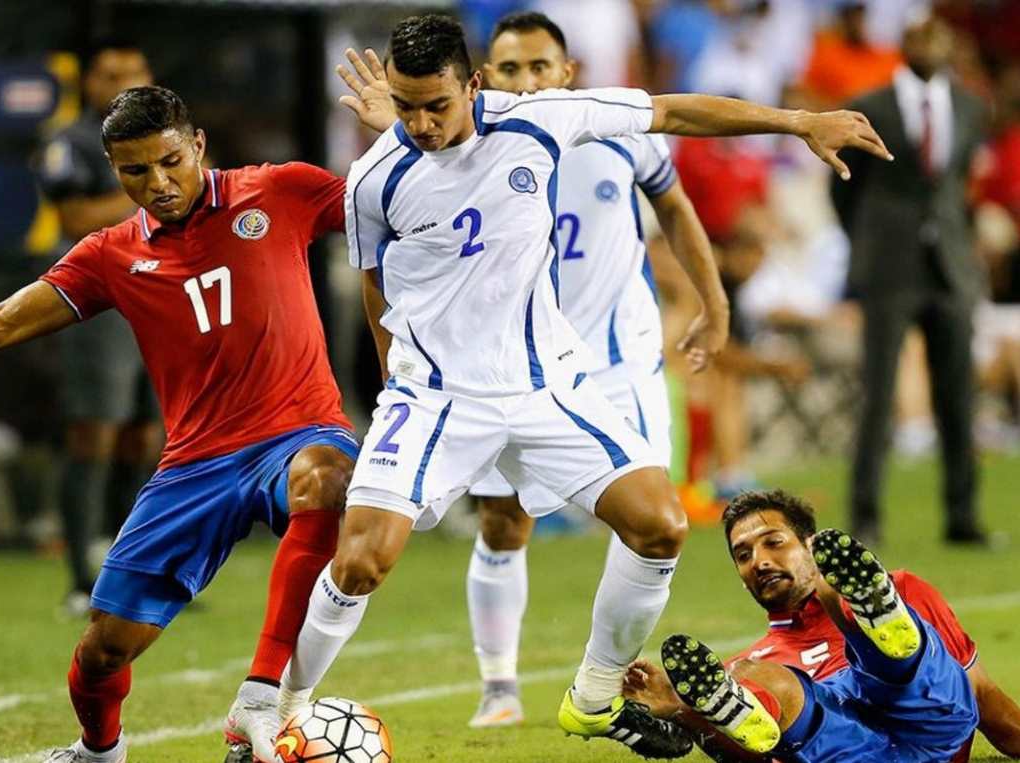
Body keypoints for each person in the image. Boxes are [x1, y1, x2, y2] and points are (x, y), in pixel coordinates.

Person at [283, 13, 890, 758]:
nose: (421, 124)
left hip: (547, 388)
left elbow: (672, 111)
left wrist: (798, 120)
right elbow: (378, 294)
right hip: (438, 396)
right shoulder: (376, 176)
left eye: (436, 106)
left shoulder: (542, 122)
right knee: (361, 561)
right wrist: (395, 386)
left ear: (471, 87)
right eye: (405, 108)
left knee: (660, 523)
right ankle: (282, 708)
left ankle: (594, 694)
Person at [0, 85, 357, 763]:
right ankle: (98, 750)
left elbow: (391, 208)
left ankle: (262, 696)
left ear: (198, 145)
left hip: (296, 432)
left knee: (331, 480)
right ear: (114, 169)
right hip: (194, 465)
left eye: (171, 162)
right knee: (103, 650)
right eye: (136, 171)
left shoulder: (280, 191)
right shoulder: (109, 254)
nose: (158, 183)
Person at [461, 10, 727, 728]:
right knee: (502, 522)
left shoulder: (619, 130)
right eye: (510, 69)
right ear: (486, 79)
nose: (527, 82)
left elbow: (673, 206)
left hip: (618, 365)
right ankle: (499, 685)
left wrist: (712, 300)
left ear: (568, 72)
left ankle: (600, 686)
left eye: (540, 66)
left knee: (652, 523)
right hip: (516, 369)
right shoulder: (467, 147)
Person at [624, 489, 1020, 761]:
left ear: (809, 545)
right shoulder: (752, 666)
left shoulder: (902, 588)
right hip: (855, 754)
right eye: (743, 555)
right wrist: (681, 711)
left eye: (773, 542)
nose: (759, 561)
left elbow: (984, 697)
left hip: (933, 724)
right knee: (762, 681)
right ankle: (880, 636)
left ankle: (884, 631)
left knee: (840, 600)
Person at [831, 11, 988, 545]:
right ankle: (865, 517)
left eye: (939, 34)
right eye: (921, 34)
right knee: (877, 396)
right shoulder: (869, 106)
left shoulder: (970, 107)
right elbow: (844, 188)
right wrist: (870, 241)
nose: (930, 43)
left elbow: (957, 185)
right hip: (889, 266)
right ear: (904, 44)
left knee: (958, 396)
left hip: (949, 267)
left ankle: (963, 516)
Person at [34, 37, 161, 617]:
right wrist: (148, 191)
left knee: (149, 437)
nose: (123, 83)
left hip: (161, 296)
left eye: (133, 71)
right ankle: (81, 576)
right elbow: (75, 218)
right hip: (101, 299)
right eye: (111, 74)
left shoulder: (166, 133)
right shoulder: (72, 142)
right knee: (95, 433)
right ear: (89, 84)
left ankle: (134, 568)